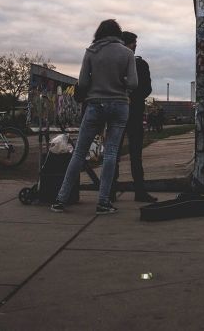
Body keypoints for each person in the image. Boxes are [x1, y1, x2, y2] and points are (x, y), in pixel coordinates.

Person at [51, 19, 137, 215]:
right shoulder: (127, 53)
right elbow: (133, 83)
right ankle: (103, 202)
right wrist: (119, 82)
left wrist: (97, 81)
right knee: (111, 153)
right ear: (117, 33)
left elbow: (82, 83)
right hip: (119, 105)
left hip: (95, 104)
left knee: (79, 153)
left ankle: (60, 199)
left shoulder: (91, 52)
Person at [111, 31, 157, 203]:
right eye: (132, 42)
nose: (135, 45)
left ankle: (110, 190)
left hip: (119, 111)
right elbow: (147, 89)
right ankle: (139, 191)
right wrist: (135, 96)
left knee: (114, 152)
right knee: (134, 154)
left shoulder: (115, 63)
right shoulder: (140, 64)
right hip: (134, 112)